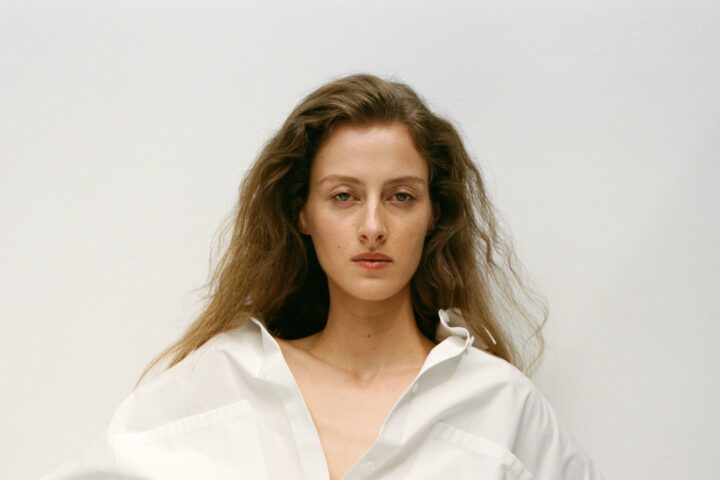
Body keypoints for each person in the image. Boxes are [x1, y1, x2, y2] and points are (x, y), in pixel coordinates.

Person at [43, 74, 605, 479]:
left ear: (434, 215)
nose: (372, 227)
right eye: (343, 196)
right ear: (302, 213)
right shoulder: (224, 380)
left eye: (401, 197)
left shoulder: (501, 407)